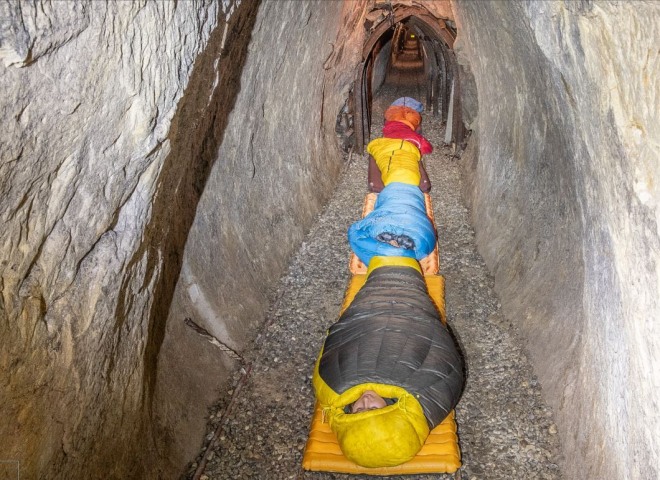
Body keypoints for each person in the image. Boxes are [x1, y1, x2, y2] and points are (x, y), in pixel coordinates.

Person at [312, 256, 464, 468]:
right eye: (373, 409)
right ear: (393, 412)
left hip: (369, 307)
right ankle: (402, 257)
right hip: (409, 306)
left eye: (358, 410)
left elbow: (333, 341)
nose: (365, 402)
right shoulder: (427, 395)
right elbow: (443, 357)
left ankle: (383, 258)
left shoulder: (332, 389)